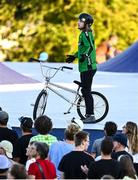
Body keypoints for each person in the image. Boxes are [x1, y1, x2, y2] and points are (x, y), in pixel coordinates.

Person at [66, 13, 97, 123]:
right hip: (84, 67)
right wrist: (74, 56)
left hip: (89, 67)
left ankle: (91, 115)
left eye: (81, 21)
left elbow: (90, 47)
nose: (78, 23)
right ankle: (88, 114)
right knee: (85, 90)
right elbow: (82, 48)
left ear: (87, 24)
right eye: (78, 20)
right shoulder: (83, 34)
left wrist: (85, 55)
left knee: (86, 91)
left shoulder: (87, 34)